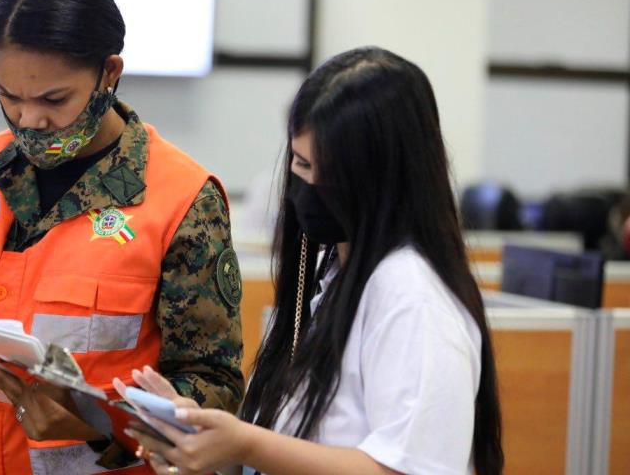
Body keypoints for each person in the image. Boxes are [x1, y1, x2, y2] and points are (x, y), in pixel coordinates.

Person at [0, 0, 244, 473]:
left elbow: (215, 392)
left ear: (109, 72)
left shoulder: (182, 198)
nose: (29, 119)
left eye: (53, 100)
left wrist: (94, 422)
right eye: (8, 95)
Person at [120, 47, 504, 475]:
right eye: (301, 163)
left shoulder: (413, 297)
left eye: (330, 172)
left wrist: (246, 443)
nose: (308, 185)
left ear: (383, 178)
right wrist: (201, 436)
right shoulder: (332, 273)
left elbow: (410, 468)